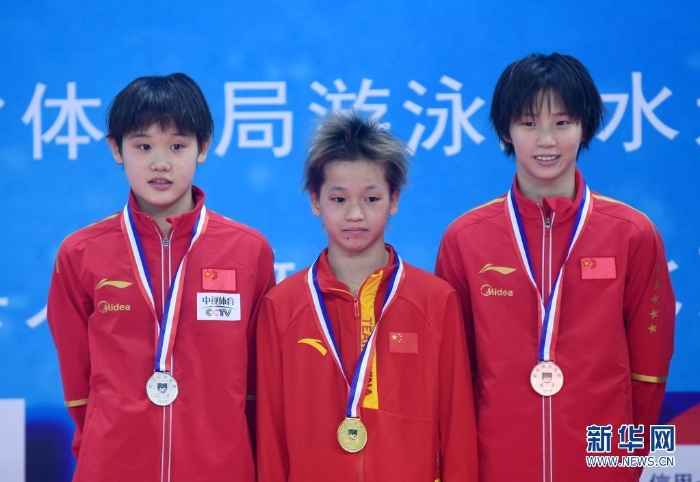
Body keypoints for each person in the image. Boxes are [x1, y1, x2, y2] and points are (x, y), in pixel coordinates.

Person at [435, 53, 675, 481]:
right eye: (529, 123)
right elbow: (453, 374)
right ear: (505, 130)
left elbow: (649, 370)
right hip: (496, 467)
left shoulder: (632, 233)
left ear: (585, 127)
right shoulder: (466, 238)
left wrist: (623, 466)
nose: (546, 140)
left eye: (562, 123)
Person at [47, 73, 275, 481]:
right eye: (143, 146)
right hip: (113, 465)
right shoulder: (81, 252)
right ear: (115, 148)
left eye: (177, 146)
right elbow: (77, 381)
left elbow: (258, 384)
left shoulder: (248, 251)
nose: (160, 163)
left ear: (204, 147)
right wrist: (105, 440)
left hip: (219, 467)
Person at [256, 110, 478, 481]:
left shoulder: (436, 302)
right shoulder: (282, 307)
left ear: (394, 200)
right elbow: (270, 439)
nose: (355, 214)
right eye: (339, 199)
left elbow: (458, 432)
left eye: (372, 198)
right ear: (315, 201)